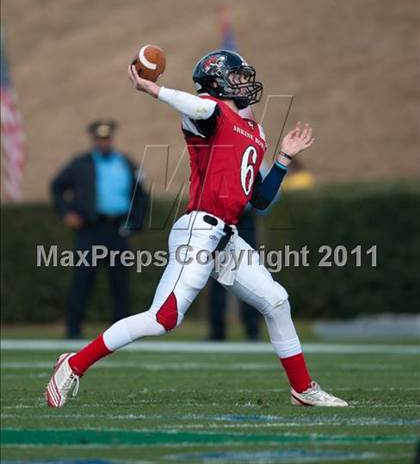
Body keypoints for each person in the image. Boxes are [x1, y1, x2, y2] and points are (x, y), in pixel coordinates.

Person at [45, 50, 348, 408]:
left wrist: (283, 159)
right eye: (235, 76)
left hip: (227, 237)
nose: (244, 82)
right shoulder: (208, 112)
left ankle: (302, 388)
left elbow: (262, 199)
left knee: (276, 301)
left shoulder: (255, 131)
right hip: (199, 230)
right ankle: (74, 364)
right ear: (217, 81)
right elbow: (201, 108)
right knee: (162, 319)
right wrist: (154, 90)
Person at [50, 120, 149, 339]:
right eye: (100, 139)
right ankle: (74, 329)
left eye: (107, 138)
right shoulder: (81, 164)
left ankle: (121, 332)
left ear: (112, 139)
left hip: (118, 230)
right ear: (94, 140)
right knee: (83, 280)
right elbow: (57, 187)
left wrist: (135, 223)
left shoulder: (126, 163)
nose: (104, 142)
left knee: (120, 282)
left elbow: (141, 195)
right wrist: (66, 213)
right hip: (90, 230)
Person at [207, 207, 261, 341]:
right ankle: (217, 332)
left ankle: (253, 332)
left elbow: (264, 204)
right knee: (218, 279)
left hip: (244, 224)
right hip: (222, 224)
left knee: (250, 280)